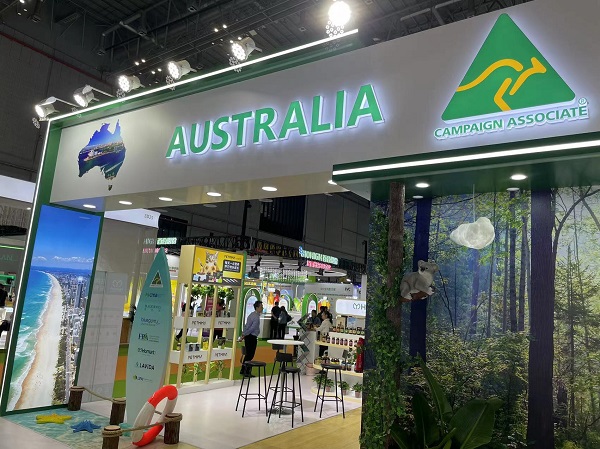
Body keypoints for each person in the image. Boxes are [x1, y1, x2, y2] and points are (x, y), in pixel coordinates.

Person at [240, 300, 263, 377]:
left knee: (248, 354)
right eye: (261, 307)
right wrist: (245, 334)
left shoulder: (251, 315)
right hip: (251, 337)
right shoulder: (256, 317)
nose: (262, 308)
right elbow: (252, 328)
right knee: (250, 355)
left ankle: (243, 369)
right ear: (257, 307)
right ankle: (246, 371)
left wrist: (244, 334)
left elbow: (247, 325)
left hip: (248, 336)